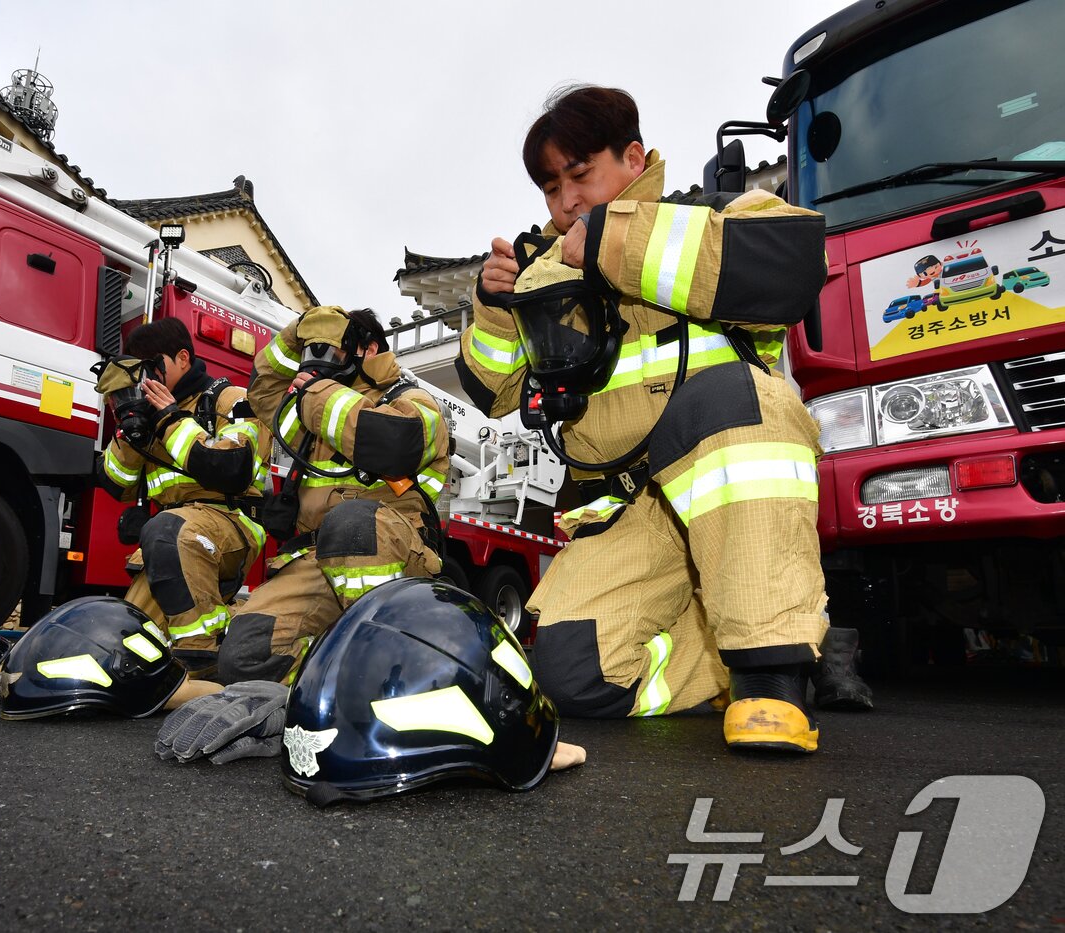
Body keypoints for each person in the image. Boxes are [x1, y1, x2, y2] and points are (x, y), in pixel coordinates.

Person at [457, 85, 844, 753]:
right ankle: (725, 657)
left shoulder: (716, 215)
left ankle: (771, 676)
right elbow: (496, 392)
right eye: (550, 188)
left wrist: (612, 242)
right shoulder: (545, 274)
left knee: (723, 398)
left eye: (580, 174)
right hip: (631, 508)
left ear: (633, 158)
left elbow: (791, 264)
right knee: (574, 677)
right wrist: (496, 307)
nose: (565, 201)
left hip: (727, 489)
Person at [213, 305, 451, 685]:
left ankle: (391, 676)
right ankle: (325, 691)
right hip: (315, 555)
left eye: (333, 346)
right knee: (245, 656)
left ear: (368, 349)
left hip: (387, 549)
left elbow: (394, 446)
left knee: (352, 520)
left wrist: (317, 392)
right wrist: (296, 331)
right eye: (314, 348)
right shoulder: (309, 415)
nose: (319, 356)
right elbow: (263, 390)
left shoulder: (409, 398)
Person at [94, 317, 267, 677]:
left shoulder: (231, 400)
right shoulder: (147, 413)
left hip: (230, 523)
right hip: (168, 538)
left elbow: (233, 469)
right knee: (127, 641)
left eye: (153, 367)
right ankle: (229, 634)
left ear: (183, 358)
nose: (146, 380)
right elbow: (116, 484)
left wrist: (171, 420)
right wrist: (132, 432)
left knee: (170, 533)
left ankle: (202, 659)